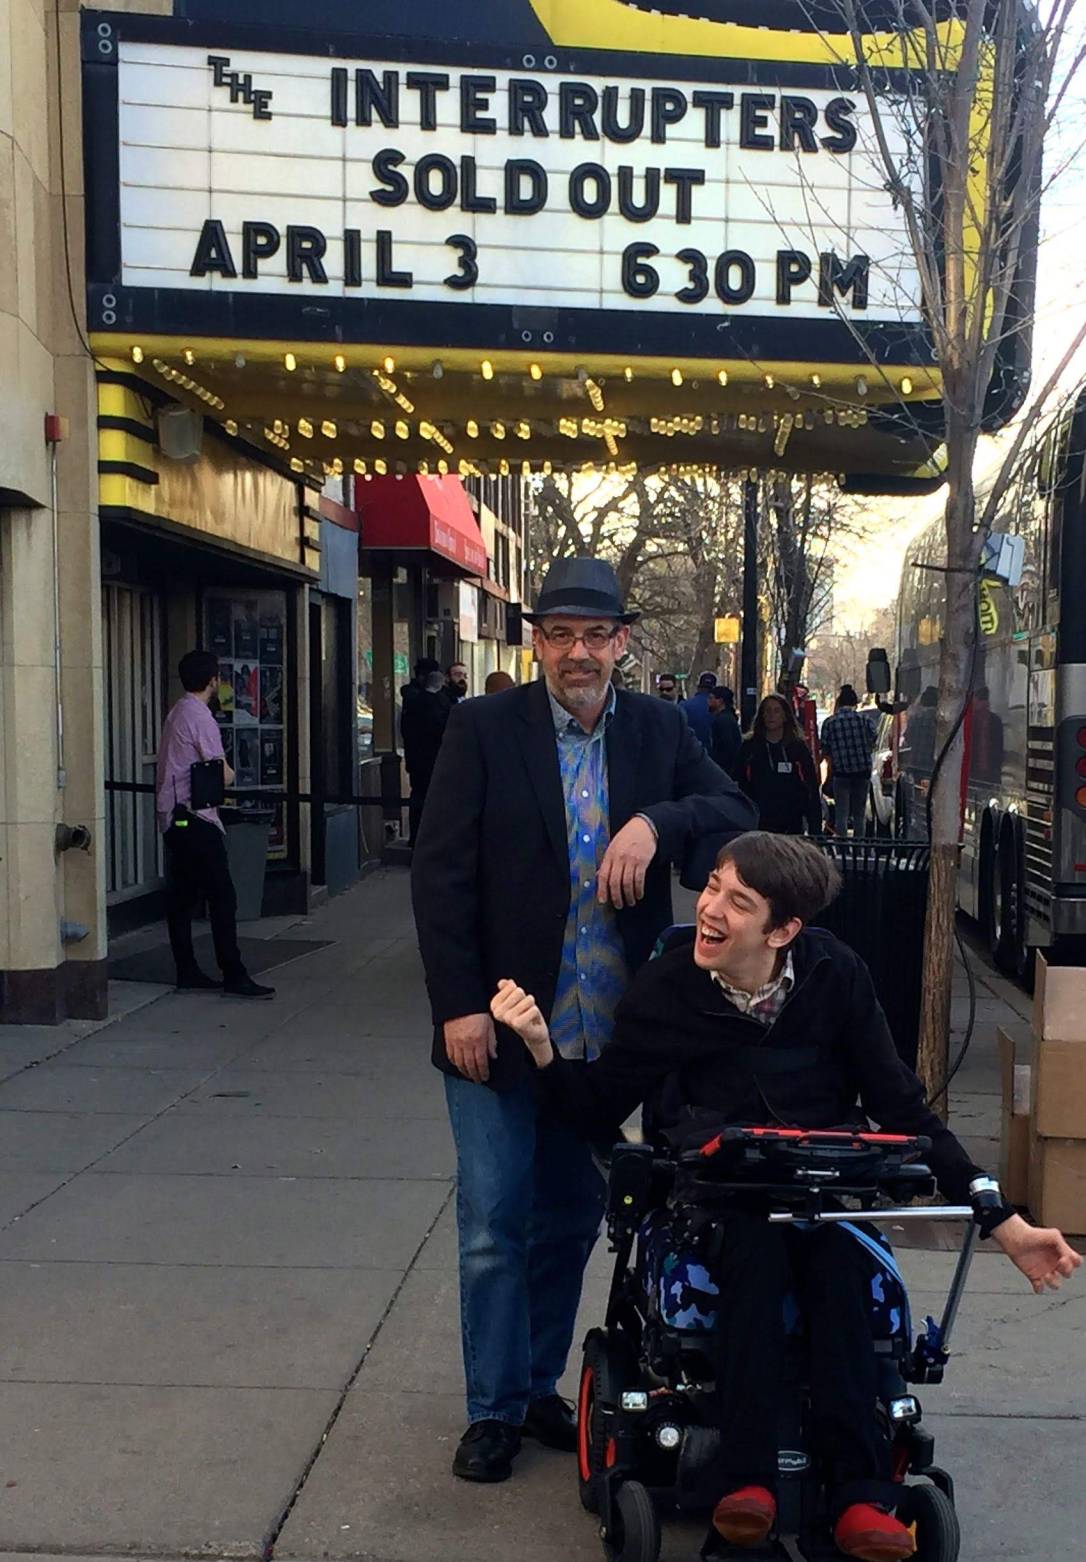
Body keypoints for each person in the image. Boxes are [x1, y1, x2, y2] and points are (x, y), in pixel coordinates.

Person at [492, 832, 1080, 1562]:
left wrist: (1005, 1222)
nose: (709, 908)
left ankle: (863, 1496)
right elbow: (595, 1107)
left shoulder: (836, 976)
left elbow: (906, 1111)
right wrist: (543, 1048)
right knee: (757, 1258)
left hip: (826, 1189)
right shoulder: (669, 988)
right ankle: (748, 1485)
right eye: (711, 887)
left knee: (842, 1271)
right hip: (721, 1195)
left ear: (783, 930)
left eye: (737, 901)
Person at [411, 556, 758, 1486]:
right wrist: (456, 1006)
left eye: (593, 635)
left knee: (568, 1220)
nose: (576, 652)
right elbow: (439, 875)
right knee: (493, 1223)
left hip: (599, 1044)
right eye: (558, 634)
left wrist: (655, 821)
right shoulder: (483, 728)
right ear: (537, 643)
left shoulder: (655, 731)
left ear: (621, 644)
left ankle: (533, 1389)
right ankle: (489, 1410)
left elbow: (737, 812)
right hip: (498, 1025)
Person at [155, 650, 275, 999]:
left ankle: (187, 968)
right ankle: (233, 973)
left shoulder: (177, 712)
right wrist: (234, 774)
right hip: (195, 817)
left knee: (183, 896)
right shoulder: (200, 717)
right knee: (223, 897)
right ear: (212, 681)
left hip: (173, 815)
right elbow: (220, 769)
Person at [734, 695, 822, 836]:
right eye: (767, 711)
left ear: (785, 716)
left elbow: (810, 787)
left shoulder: (797, 748)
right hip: (758, 824)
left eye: (776, 711)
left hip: (790, 824)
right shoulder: (750, 747)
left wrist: (815, 828)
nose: (771, 716)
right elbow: (740, 781)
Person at [400, 657, 450, 844]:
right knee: (422, 798)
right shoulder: (417, 698)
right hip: (423, 758)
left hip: (431, 757)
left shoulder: (434, 697)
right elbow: (432, 724)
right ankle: (419, 840)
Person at [820, 685, 876, 838]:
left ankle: (842, 849)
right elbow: (873, 741)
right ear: (855, 703)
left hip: (841, 773)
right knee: (859, 814)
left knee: (841, 813)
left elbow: (824, 748)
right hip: (862, 772)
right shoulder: (865, 720)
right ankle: (858, 848)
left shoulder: (830, 723)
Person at [708, 684, 742, 774]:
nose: (709, 701)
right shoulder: (727, 718)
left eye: (711, 698)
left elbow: (727, 747)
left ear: (720, 701)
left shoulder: (722, 720)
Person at [679, 669, 717, 747]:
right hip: (712, 753)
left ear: (698, 687)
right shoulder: (718, 707)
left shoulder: (684, 705)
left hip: (690, 751)